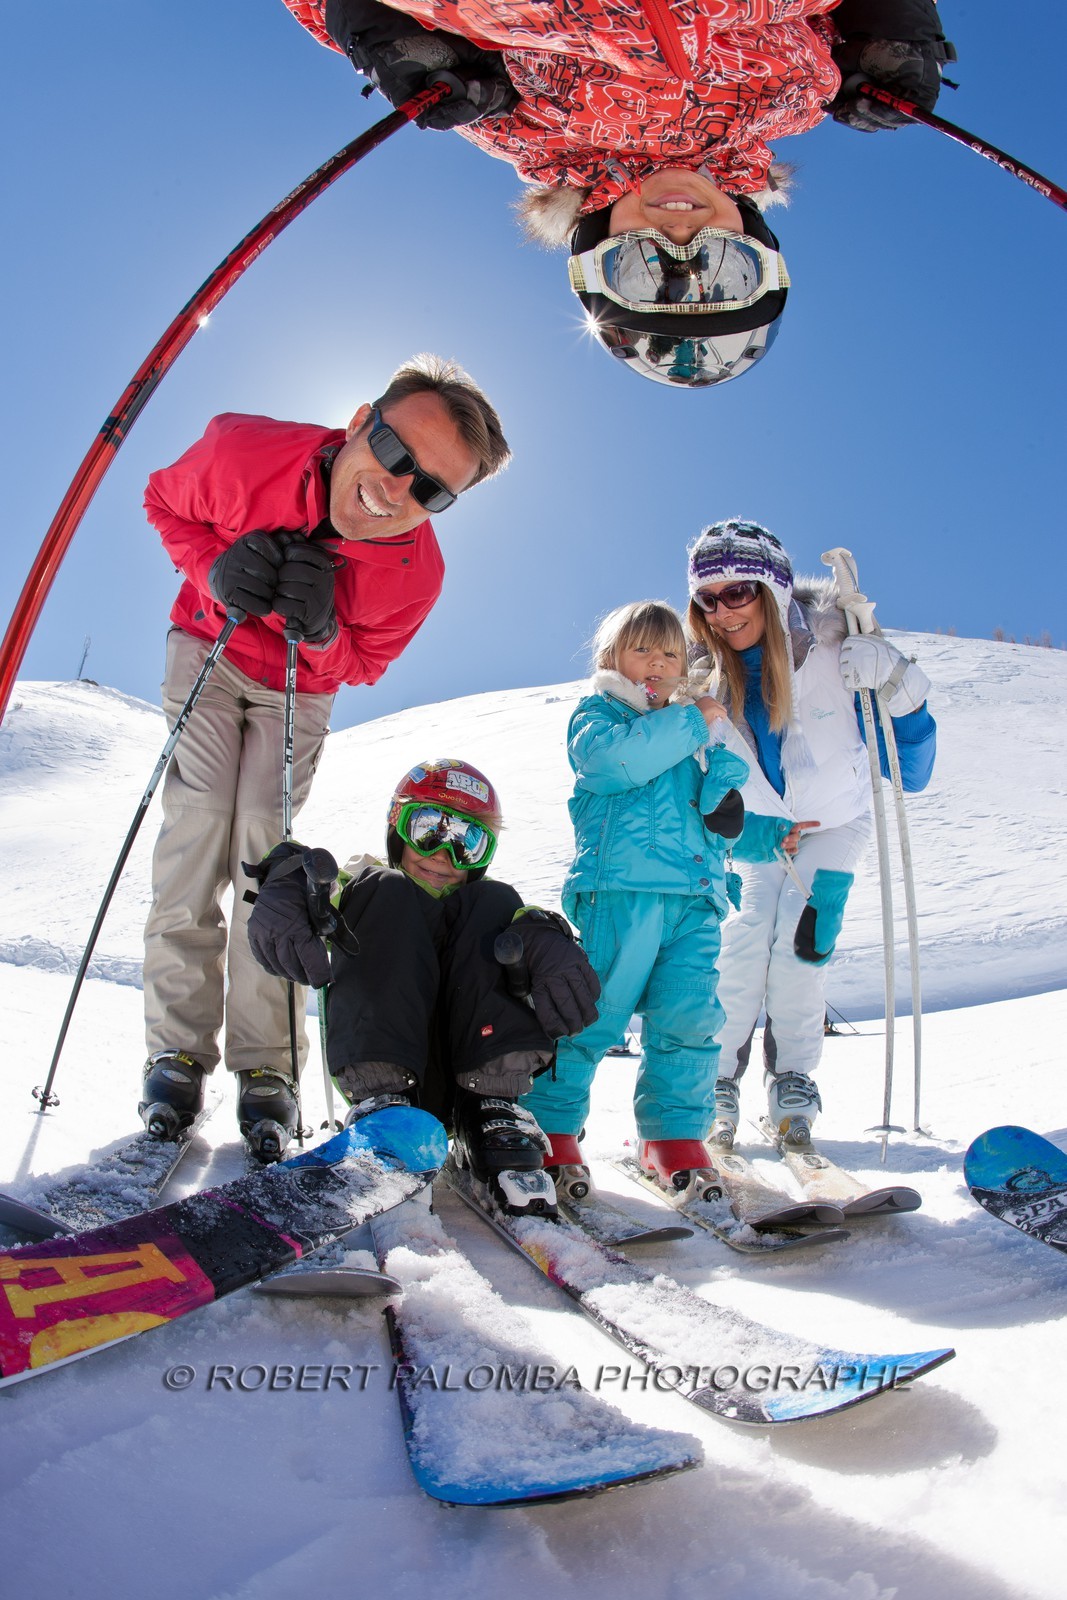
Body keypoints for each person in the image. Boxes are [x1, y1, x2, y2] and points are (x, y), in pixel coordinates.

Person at [138, 357, 510, 1161]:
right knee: (195, 831)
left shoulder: (419, 572)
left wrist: (322, 631)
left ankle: (266, 1066)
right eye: (393, 450)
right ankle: (176, 1052)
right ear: (356, 422)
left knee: (265, 858)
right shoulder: (244, 453)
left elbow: (364, 663)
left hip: (297, 690)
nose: (396, 489)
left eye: (432, 491)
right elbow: (164, 501)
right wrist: (216, 567)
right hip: (211, 641)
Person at [282, 0, 955, 388]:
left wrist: (372, 27)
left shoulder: (524, 123)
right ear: (756, 236)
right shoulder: (799, 95)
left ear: (593, 249)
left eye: (641, 268)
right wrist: (890, 23)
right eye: (723, 265)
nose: (680, 237)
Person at [518, 600, 799, 1189]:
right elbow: (613, 764)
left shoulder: (694, 737)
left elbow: (717, 821)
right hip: (622, 896)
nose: (657, 662)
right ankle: (550, 1129)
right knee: (589, 1014)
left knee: (689, 1022)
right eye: (642, 648)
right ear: (611, 657)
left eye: (670, 652)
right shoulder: (602, 716)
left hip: (694, 904)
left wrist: (772, 835)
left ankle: (671, 1136)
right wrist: (694, 721)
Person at [244, 758, 601, 1206]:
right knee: (385, 887)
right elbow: (323, 885)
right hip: (385, 1069)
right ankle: (385, 1113)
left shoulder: (488, 908)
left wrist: (547, 940)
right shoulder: (365, 885)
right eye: (428, 829)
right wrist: (288, 881)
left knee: (496, 899)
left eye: (467, 844)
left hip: (476, 1076)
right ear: (398, 828)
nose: (442, 856)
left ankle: (491, 1114)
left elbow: (525, 921)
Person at [684, 519, 936, 1145]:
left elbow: (915, 772)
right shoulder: (700, 682)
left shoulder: (836, 647)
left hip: (834, 824)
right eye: (706, 598)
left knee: (804, 946)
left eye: (737, 591)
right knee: (740, 949)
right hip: (756, 835)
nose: (721, 611)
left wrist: (902, 689)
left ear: (772, 588)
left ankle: (793, 1079)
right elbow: (703, 797)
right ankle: (714, 1083)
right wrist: (751, 834)